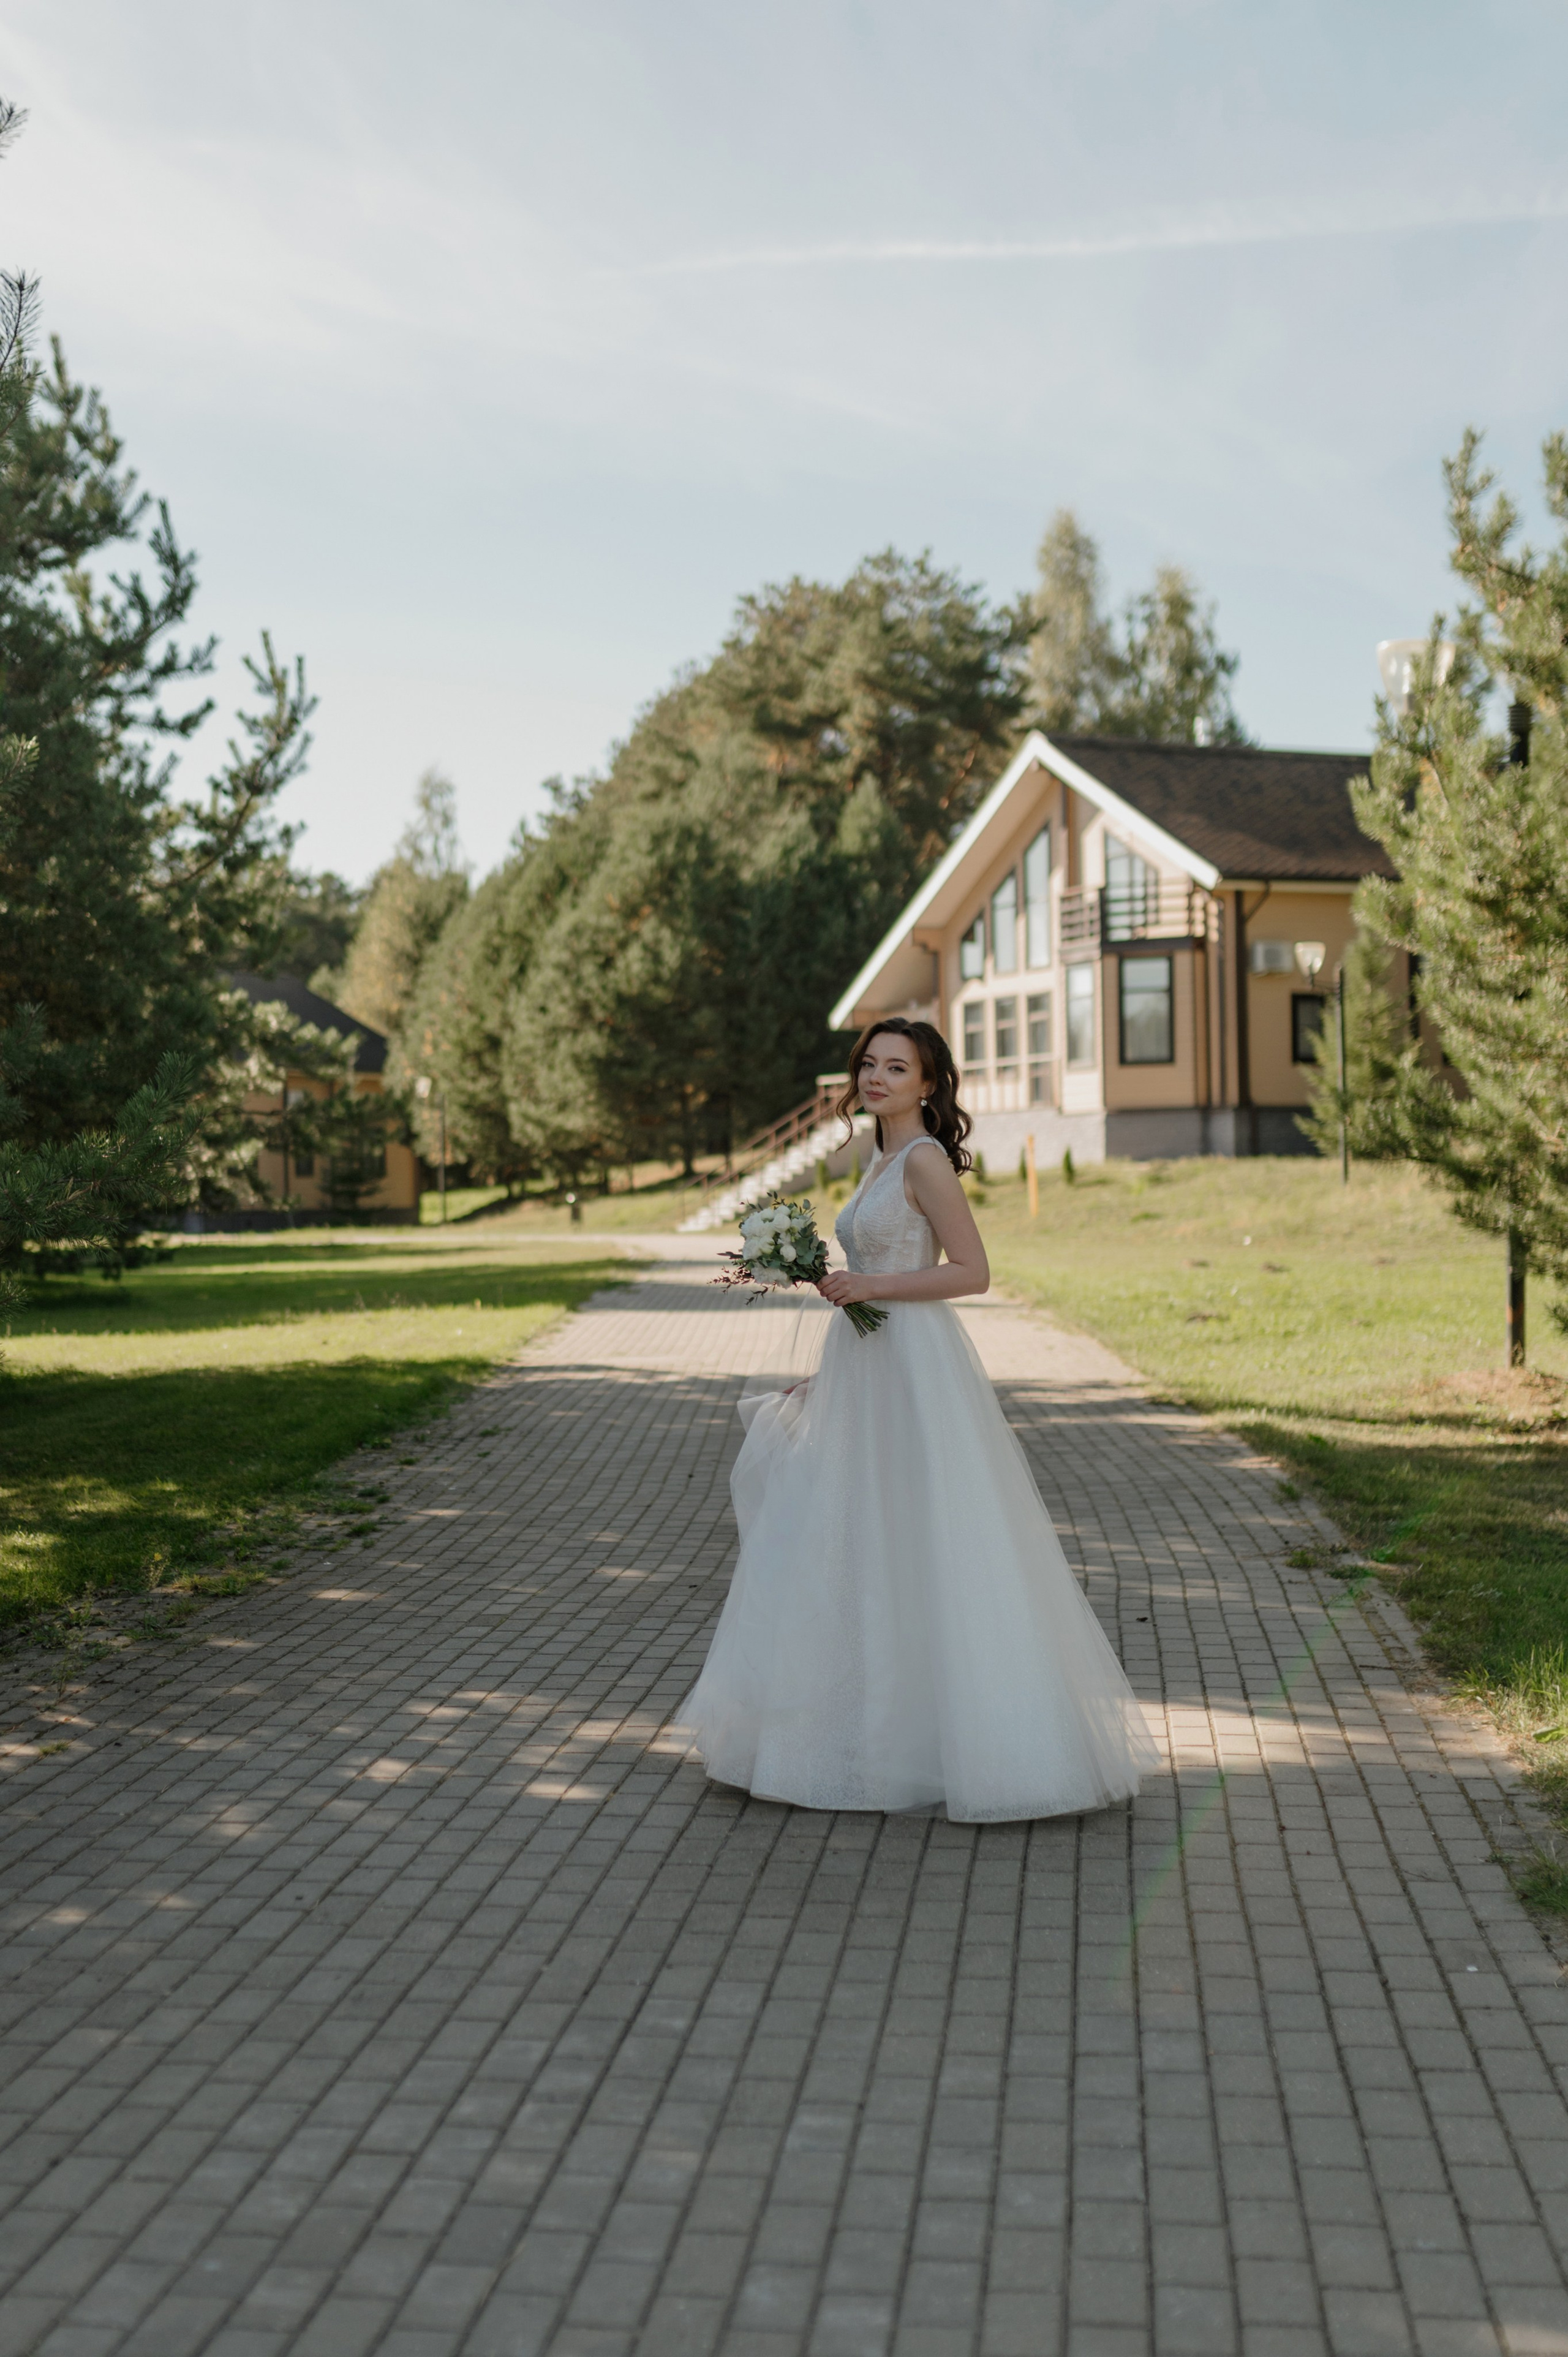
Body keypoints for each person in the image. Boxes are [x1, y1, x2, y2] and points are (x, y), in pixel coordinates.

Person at [673, 1017, 1158, 1822]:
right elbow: (870, 1272)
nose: (877, 1077)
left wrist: (872, 1290)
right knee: (859, 1535)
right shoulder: (877, 1158)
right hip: (865, 1363)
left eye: (897, 1067)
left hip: (916, 1363)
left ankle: (984, 1745)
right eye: (869, 1064)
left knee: (927, 1534)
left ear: (929, 1085)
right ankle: (859, 1734)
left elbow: (973, 1273)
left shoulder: (926, 1161)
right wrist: (826, 1371)